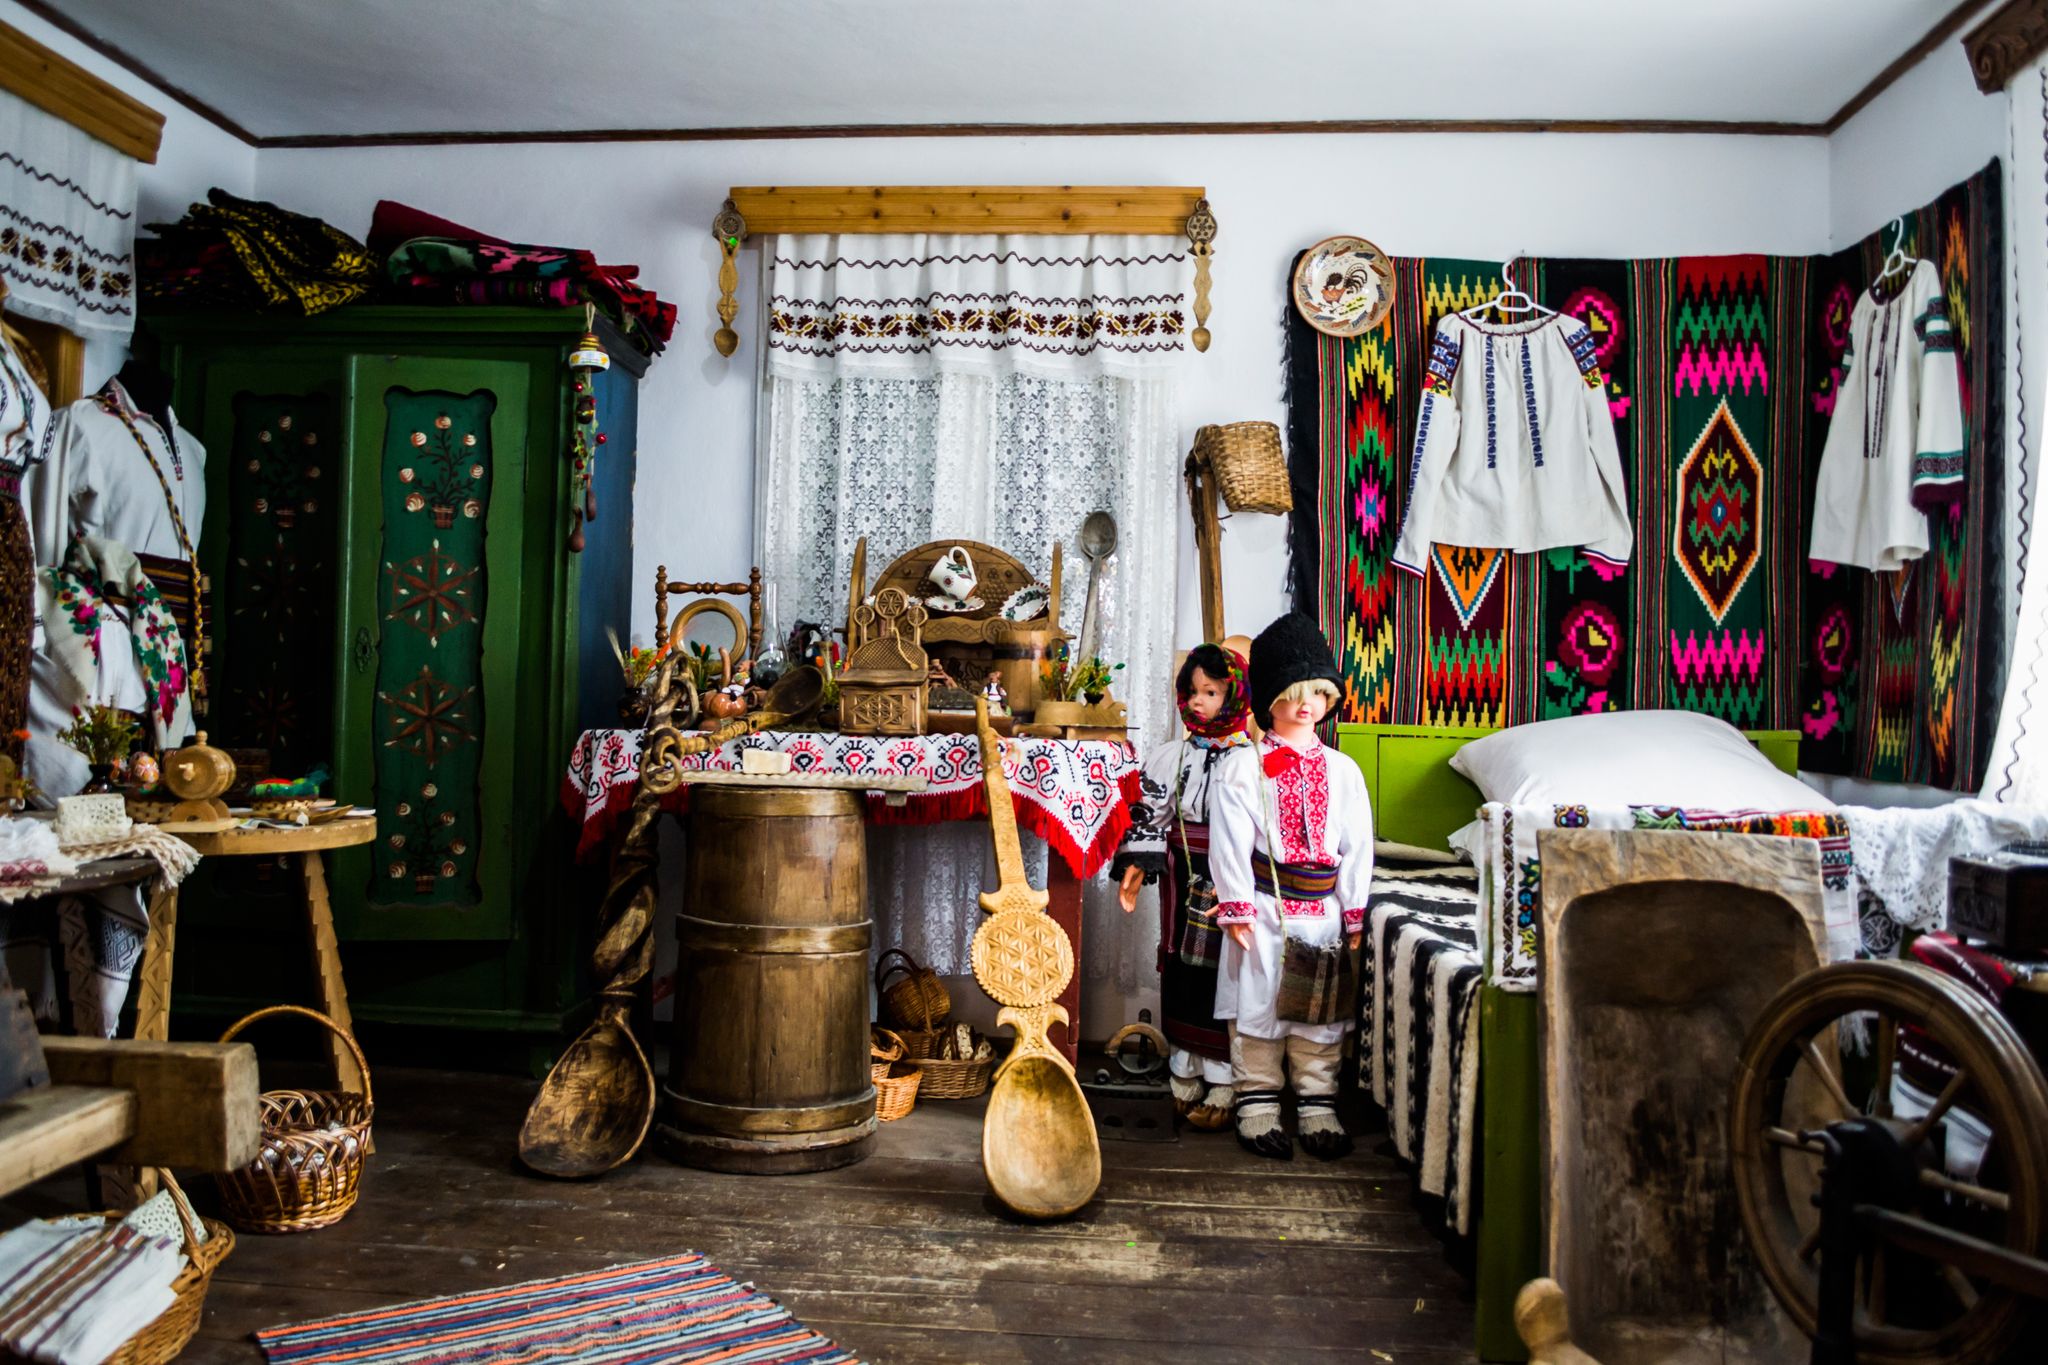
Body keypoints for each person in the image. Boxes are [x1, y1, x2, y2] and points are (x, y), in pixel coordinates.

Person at [1208, 612, 1373, 1160]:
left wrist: (1354, 914)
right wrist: (1235, 907)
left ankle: (1317, 1101)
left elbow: (1358, 847)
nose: (1307, 706)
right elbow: (1229, 843)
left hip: (1322, 912)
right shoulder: (1241, 768)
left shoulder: (1345, 772)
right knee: (1258, 1008)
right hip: (1262, 908)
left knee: (1320, 1012)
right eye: (1293, 693)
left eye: (1318, 693)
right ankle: (1256, 1100)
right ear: (1270, 697)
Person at [1114, 641, 1255, 1129]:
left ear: (1234, 697)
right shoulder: (1172, 756)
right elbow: (1151, 815)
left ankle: (1225, 1080)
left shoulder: (1252, 763)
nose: (1198, 702)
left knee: (1224, 974)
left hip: (1231, 877)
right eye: (1192, 691)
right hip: (1181, 871)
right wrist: (1136, 869)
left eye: (1211, 692)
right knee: (1178, 960)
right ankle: (1183, 1069)